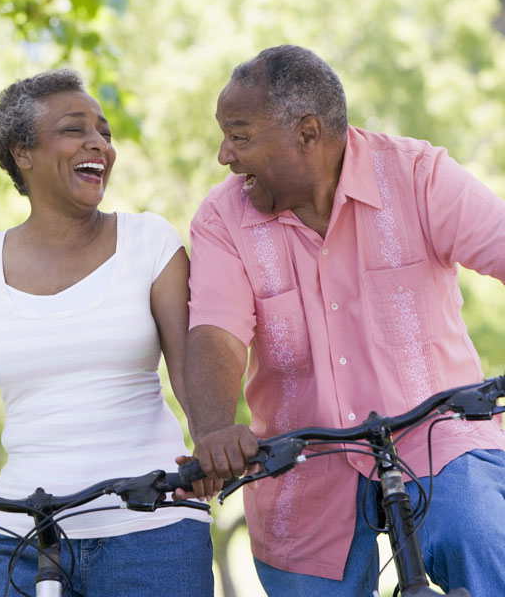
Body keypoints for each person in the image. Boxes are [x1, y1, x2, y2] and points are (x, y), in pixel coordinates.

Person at [183, 44, 505, 596]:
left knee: (475, 534)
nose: (224, 155)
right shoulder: (222, 217)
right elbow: (217, 331)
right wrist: (213, 431)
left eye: (239, 135)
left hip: (437, 437)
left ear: (307, 133)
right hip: (299, 461)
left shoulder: (418, 175)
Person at [0, 69, 213, 596]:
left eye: (105, 132)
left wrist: (210, 446)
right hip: (21, 536)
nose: (99, 143)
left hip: (152, 529)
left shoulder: (149, 242)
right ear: (22, 152)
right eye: (76, 130)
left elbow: (191, 375)